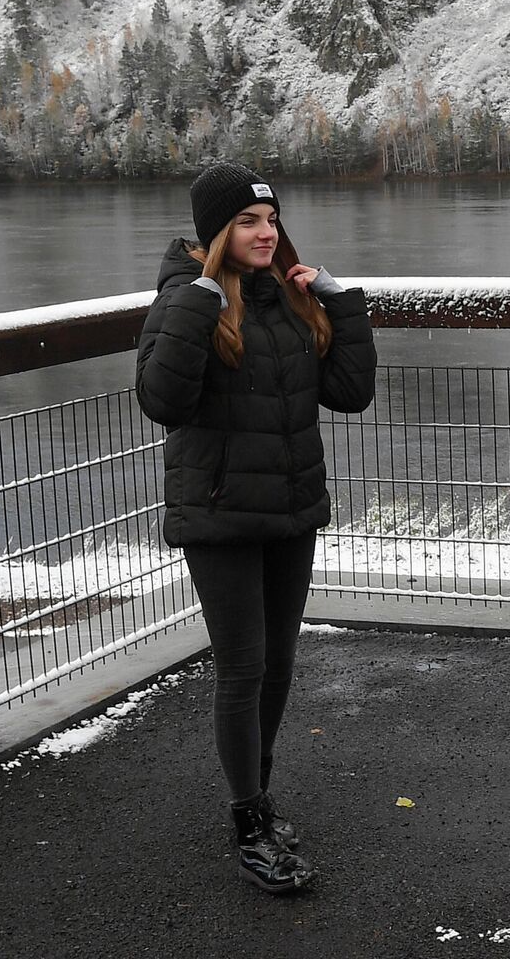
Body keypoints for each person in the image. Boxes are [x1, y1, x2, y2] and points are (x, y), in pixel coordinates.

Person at [135, 161, 376, 893]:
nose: (266, 233)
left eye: (270, 220)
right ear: (217, 232)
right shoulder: (185, 300)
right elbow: (162, 400)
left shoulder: (285, 298)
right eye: (247, 221)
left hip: (289, 510)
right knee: (242, 671)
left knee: (277, 666)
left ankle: (260, 802)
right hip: (219, 514)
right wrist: (195, 305)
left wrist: (340, 301)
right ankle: (248, 823)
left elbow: (349, 392)